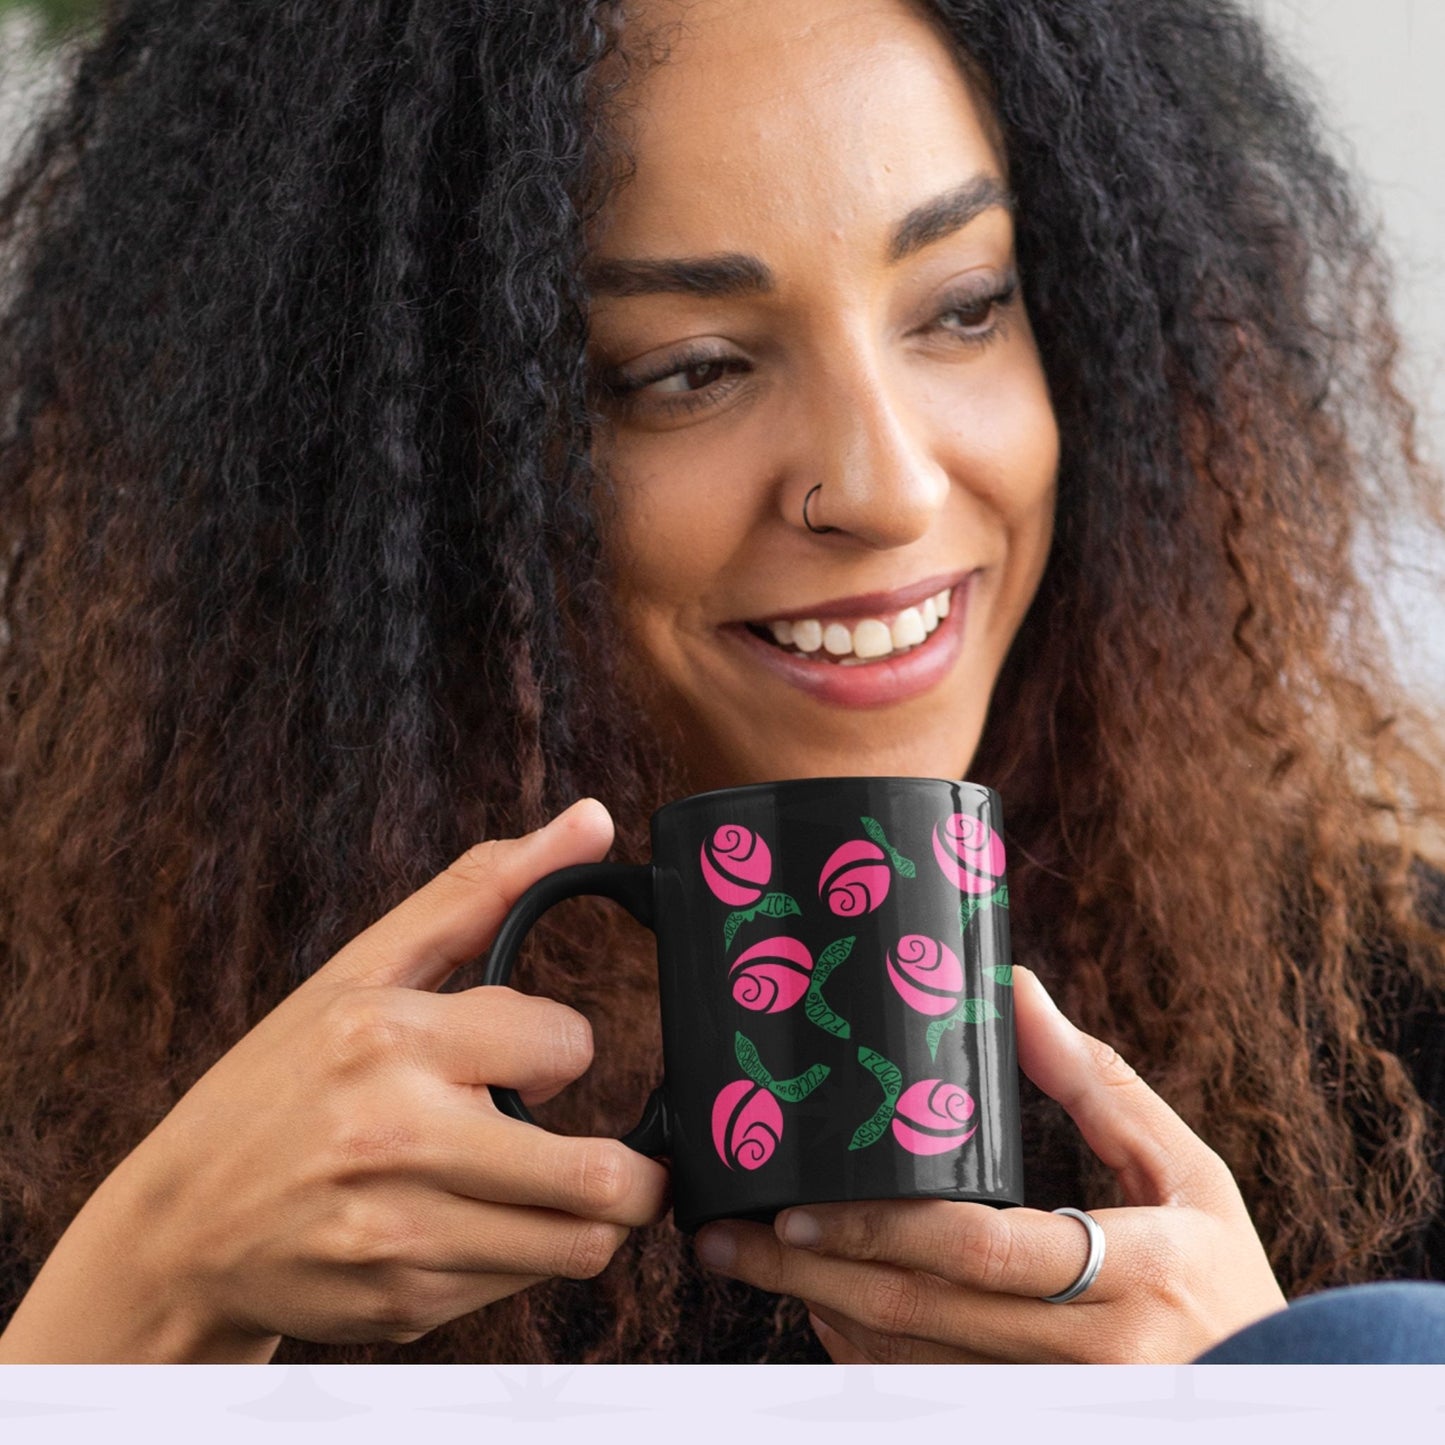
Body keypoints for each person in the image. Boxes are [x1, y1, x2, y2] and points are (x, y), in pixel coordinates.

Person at [0, 0, 1442, 1366]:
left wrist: (1275, 1392)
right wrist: (149, 1281)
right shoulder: (57, 1053)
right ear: (380, 477)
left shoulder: (1389, 1014)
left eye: (962, 304)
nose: (884, 486)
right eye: (686, 370)